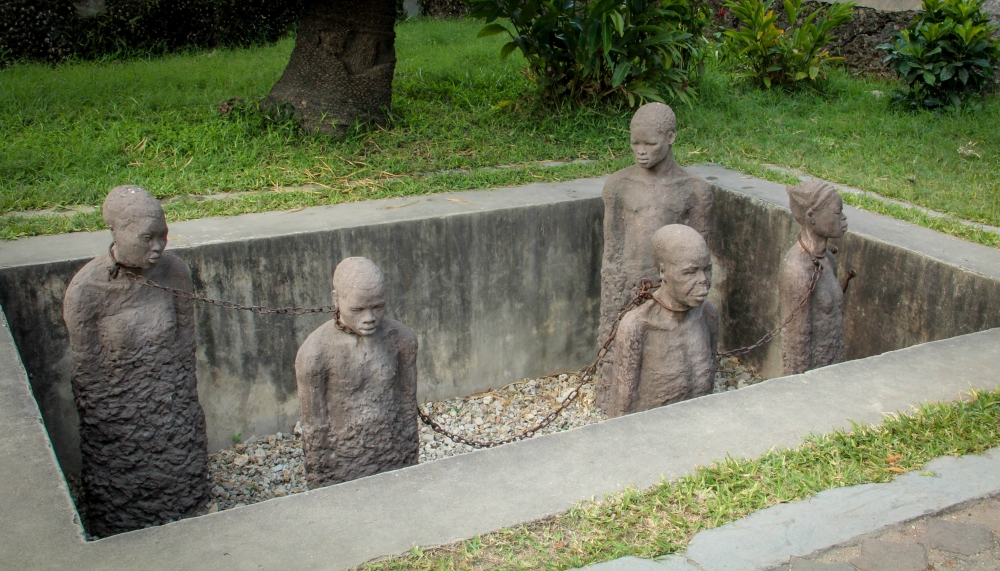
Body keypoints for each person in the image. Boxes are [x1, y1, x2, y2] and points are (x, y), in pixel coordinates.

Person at [63, 185, 208, 537]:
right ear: (117, 233)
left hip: (171, 408)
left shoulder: (174, 273)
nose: (157, 247)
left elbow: (185, 343)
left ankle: (187, 500)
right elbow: (88, 375)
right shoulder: (86, 291)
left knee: (181, 479)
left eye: (163, 236)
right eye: (147, 238)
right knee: (126, 492)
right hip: (120, 421)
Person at [598, 102, 713, 410]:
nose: (641, 151)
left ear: (671, 138)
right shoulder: (618, 185)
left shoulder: (693, 189)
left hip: (672, 286)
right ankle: (613, 399)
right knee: (618, 349)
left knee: (673, 346)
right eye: (635, 142)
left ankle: (678, 391)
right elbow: (612, 246)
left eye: (650, 143)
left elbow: (698, 250)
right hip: (626, 282)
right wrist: (614, 289)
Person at [295, 257, 418, 488]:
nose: (369, 318)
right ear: (336, 299)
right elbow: (314, 426)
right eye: (357, 309)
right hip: (343, 462)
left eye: (378, 307)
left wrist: (406, 450)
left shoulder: (401, 340)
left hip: (392, 453)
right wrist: (323, 472)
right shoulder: (315, 353)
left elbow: (407, 406)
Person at [604, 225, 718, 417]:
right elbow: (621, 408)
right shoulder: (638, 326)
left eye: (707, 269)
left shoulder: (708, 315)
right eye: (689, 272)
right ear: (662, 272)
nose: (703, 280)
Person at [779, 180, 848, 375]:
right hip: (811, 374)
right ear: (812, 217)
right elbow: (796, 342)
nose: (843, 219)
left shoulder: (828, 260)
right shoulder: (796, 271)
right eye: (837, 213)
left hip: (834, 364)